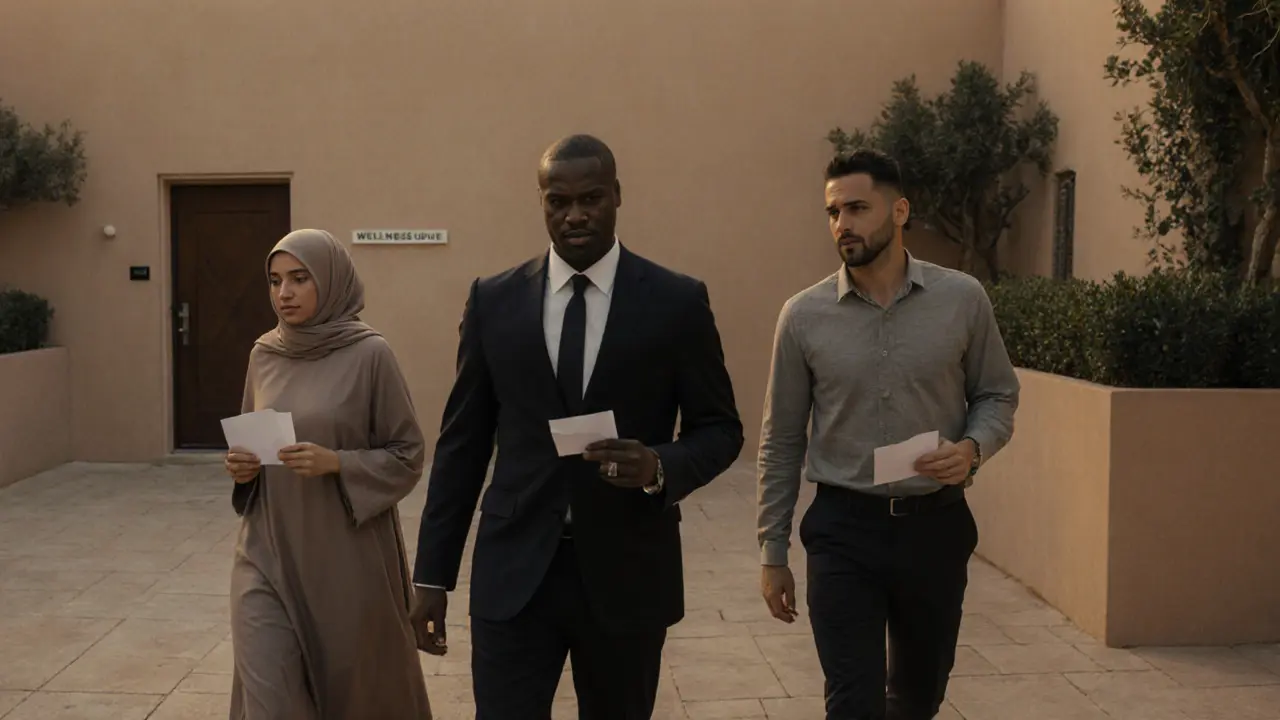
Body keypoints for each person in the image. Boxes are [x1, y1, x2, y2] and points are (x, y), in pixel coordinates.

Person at [409, 134, 744, 719]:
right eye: (558, 201)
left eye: (591, 198)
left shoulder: (677, 302)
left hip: (628, 573)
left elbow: (720, 429)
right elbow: (462, 444)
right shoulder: (494, 301)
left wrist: (659, 465)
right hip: (515, 574)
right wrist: (432, 575)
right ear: (541, 202)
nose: (575, 215)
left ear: (617, 195)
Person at [755, 149, 1020, 720]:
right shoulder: (802, 316)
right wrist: (773, 552)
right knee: (852, 703)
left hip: (935, 528)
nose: (841, 224)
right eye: (833, 212)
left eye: (857, 208)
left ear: (899, 211)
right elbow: (781, 440)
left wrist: (972, 449)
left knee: (918, 699)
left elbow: (998, 395)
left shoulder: (962, 299)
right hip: (843, 531)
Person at [222, 228, 433, 720]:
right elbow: (251, 439)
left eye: (300, 278)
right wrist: (241, 466)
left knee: (354, 695)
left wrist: (337, 462)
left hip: (345, 559)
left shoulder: (369, 354)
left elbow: (407, 454)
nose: (284, 293)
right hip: (266, 549)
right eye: (275, 280)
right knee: (269, 697)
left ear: (331, 280)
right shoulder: (264, 353)